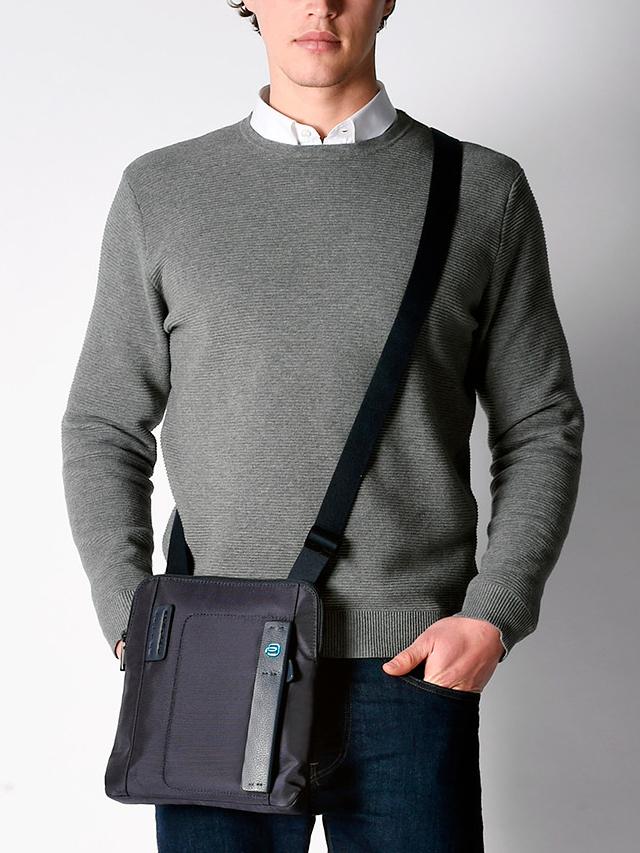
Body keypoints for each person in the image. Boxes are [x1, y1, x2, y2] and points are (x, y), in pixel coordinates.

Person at [60, 1, 585, 850]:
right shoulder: (162, 191)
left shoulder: (483, 191)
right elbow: (103, 423)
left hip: (409, 668)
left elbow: (540, 422)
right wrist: (130, 612)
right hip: (213, 657)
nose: (319, 5)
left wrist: (495, 611)